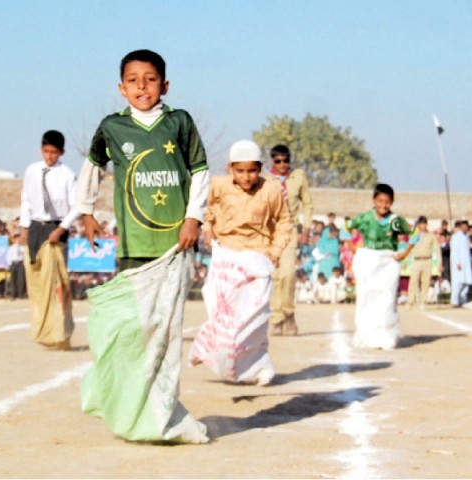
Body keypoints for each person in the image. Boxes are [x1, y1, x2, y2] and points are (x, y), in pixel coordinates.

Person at [78, 49, 210, 444]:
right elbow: (91, 167)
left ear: (164, 85)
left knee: (166, 334)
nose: (142, 87)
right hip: (133, 245)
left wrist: (193, 218)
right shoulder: (112, 127)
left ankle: (160, 415)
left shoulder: (179, 122)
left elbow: (200, 170)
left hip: (174, 246)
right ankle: (123, 400)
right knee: (131, 328)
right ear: (121, 88)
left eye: (150, 79)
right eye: (133, 80)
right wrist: (86, 211)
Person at [189, 140, 293, 386]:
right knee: (225, 317)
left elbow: (284, 221)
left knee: (254, 319)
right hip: (227, 258)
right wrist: (208, 226)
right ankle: (223, 361)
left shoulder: (272, 190)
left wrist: (275, 253)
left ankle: (259, 366)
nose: (247, 177)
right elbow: (208, 209)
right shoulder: (218, 186)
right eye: (240, 171)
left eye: (252, 170)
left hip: (258, 259)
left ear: (261, 168)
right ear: (230, 169)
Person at [19, 130, 80, 350]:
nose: (50, 156)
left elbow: (77, 207)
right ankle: (42, 329)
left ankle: (62, 332)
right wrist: (24, 227)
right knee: (36, 282)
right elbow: (26, 199)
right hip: (36, 226)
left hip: (56, 227)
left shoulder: (67, 175)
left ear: (61, 152)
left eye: (54, 152)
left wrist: (62, 227)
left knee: (57, 283)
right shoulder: (32, 171)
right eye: (46, 151)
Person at [349, 183, 418, 350]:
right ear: (374, 200)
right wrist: (351, 246)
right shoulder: (365, 218)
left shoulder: (395, 221)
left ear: (392, 203)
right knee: (366, 296)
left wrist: (405, 252)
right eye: (380, 201)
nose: (383, 205)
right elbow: (347, 228)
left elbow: (414, 235)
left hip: (388, 261)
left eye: (387, 202)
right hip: (369, 259)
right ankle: (365, 335)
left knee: (386, 298)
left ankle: (386, 335)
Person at [266, 144, 313, 336]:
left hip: (290, 228)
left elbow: (307, 203)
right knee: (274, 276)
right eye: (278, 161)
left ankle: (289, 313)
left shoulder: (298, 177)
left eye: (286, 160)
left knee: (288, 274)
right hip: (270, 230)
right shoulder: (265, 179)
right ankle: (276, 319)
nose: (282, 164)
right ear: (272, 161)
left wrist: (307, 228)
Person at [406, 216, 442, 309]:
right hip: (417, 260)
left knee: (425, 282)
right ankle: (410, 302)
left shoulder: (431, 236)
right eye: (421, 224)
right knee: (413, 281)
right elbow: (410, 248)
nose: (422, 226)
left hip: (427, 260)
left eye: (424, 224)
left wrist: (440, 263)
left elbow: (437, 249)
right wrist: (406, 260)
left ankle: (423, 302)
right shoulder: (414, 235)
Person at [449, 220, 472, 307]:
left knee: (466, 282)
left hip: (467, 263)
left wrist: (471, 260)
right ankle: (454, 301)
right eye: (463, 226)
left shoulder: (467, 237)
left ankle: (463, 299)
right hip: (458, 264)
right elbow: (454, 251)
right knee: (457, 283)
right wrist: (457, 262)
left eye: (466, 226)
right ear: (460, 227)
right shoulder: (455, 237)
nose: (465, 228)